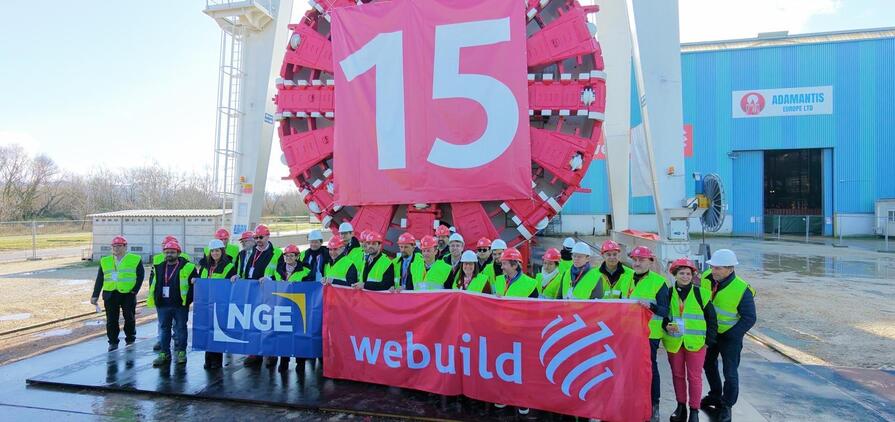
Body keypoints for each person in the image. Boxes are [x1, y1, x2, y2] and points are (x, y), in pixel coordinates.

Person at [699, 249, 756, 422]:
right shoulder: (706, 278)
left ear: (730, 269)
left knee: (730, 372)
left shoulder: (742, 289)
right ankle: (715, 395)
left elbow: (750, 318)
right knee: (708, 364)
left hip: (730, 336)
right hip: (711, 333)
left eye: (718, 268)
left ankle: (727, 405)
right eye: (712, 267)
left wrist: (732, 335)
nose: (713, 271)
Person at [664, 258, 717, 422]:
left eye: (688, 273)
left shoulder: (702, 294)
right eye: (681, 273)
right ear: (675, 275)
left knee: (694, 378)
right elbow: (663, 316)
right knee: (677, 375)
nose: (685, 276)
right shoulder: (668, 293)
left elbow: (712, 320)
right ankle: (681, 407)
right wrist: (666, 325)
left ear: (693, 275)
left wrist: (708, 342)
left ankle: (694, 410)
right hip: (674, 342)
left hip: (697, 343)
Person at [490, 246, 537, 415]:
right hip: (501, 332)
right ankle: (503, 396)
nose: (501, 266)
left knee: (521, 369)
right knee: (502, 366)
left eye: (505, 263)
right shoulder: (499, 280)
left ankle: (523, 400)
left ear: (515, 265)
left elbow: (535, 312)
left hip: (521, 334)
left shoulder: (530, 284)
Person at [628, 245, 670, 422]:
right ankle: (634, 402)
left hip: (649, 334)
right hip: (629, 333)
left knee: (650, 370)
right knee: (631, 369)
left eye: (641, 260)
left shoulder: (659, 282)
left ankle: (654, 405)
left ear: (651, 262)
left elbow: (665, 311)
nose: (637, 263)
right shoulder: (627, 278)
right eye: (635, 260)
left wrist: (651, 306)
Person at [238, 224, 282, 367]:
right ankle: (254, 353)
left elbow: (281, 273)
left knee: (268, 323)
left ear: (268, 236)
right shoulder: (251, 252)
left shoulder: (276, 253)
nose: (258, 240)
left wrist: (270, 278)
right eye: (256, 237)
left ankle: (271, 353)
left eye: (261, 237)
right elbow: (244, 270)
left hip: (269, 293)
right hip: (252, 293)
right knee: (252, 323)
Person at [148, 240, 198, 367]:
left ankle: (181, 352)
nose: (169, 254)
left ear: (178, 253)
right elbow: (153, 283)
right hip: (163, 304)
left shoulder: (188, 267)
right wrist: (156, 299)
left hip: (180, 305)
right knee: (164, 329)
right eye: (166, 252)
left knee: (181, 329)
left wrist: (187, 301)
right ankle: (164, 353)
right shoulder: (159, 267)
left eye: (172, 252)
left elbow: (195, 285)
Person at [91, 236, 144, 351]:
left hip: (128, 294)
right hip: (110, 294)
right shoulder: (105, 260)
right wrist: (95, 295)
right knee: (111, 320)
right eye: (114, 246)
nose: (116, 248)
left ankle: (130, 339)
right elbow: (100, 278)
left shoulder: (135, 259)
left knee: (129, 317)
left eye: (119, 246)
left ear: (125, 247)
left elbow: (140, 276)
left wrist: (134, 291)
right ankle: (113, 342)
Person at [269, 244, 310, 372]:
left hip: (299, 308)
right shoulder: (278, 270)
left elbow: (310, 288)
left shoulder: (306, 271)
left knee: (299, 336)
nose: (289, 258)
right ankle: (284, 361)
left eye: (292, 256)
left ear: (297, 257)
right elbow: (273, 282)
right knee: (283, 336)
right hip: (283, 308)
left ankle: (300, 363)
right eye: (286, 256)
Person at [198, 239, 237, 369]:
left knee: (217, 332)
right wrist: (195, 280)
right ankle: (208, 359)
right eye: (213, 251)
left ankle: (216, 361)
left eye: (217, 251)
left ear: (222, 251)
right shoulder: (205, 266)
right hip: (205, 303)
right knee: (207, 331)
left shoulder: (228, 266)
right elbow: (201, 280)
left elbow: (232, 284)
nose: (215, 253)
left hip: (220, 304)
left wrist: (234, 278)